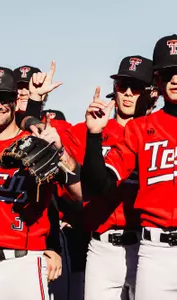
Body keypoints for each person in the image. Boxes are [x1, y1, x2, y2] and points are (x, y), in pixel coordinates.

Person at [0, 66, 78, 300]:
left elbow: (81, 194)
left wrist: (61, 154)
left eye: (4, 98)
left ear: (15, 100)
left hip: (22, 264)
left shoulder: (37, 142)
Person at [81, 34, 177, 300]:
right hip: (155, 253)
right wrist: (92, 137)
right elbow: (100, 185)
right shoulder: (138, 130)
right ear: (157, 80)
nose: (175, 79)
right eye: (168, 73)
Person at [64, 55, 154, 300]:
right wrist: (33, 107)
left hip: (146, 245)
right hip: (101, 245)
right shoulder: (86, 130)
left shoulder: (157, 133)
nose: (126, 93)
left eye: (135, 87)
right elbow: (47, 140)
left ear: (151, 93)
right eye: (121, 86)